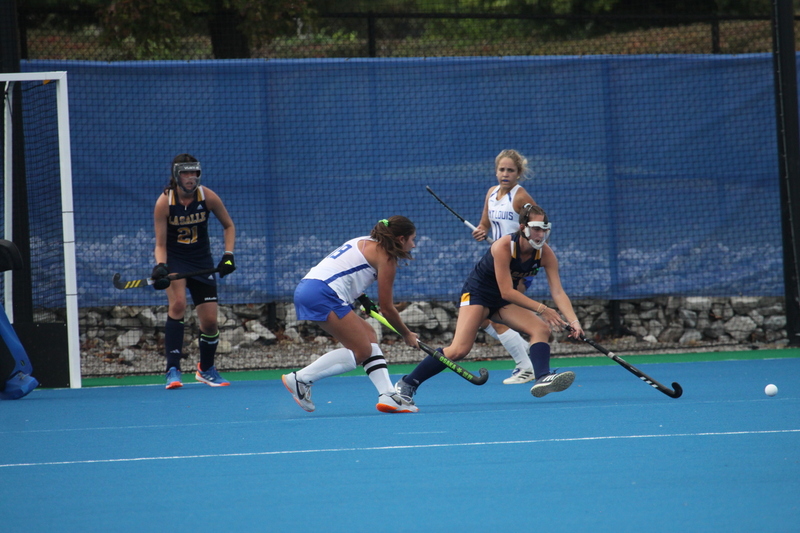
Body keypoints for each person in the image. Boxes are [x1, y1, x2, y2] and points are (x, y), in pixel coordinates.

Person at [395, 203, 583, 405]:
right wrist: (543, 309)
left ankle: (542, 377)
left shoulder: (545, 253)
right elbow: (507, 291)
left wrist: (574, 321)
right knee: (459, 350)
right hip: (477, 295)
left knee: (541, 329)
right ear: (523, 228)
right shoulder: (503, 246)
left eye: (545, 229)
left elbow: (557, 291)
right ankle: (407, 383)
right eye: (536, 229)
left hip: (501, 301)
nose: (541, 234)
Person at [282, 216, 420, 414]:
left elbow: (345, 270)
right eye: (412, 239)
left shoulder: (363, 241)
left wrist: (362, 299)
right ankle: (300, 379)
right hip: (323, 293)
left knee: (369, 335)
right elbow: (387, 308)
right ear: (400, 239)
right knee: (361, 350)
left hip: (309, 287)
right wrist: (407, 334)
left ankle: (388, 396)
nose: (413, 245)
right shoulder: (387, 259)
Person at [152, 153, 237, 389]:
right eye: (185, 173)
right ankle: (173, 370)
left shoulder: (207, 197)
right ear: (176, 175)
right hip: (176, 261)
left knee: (210, 322)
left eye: (194, 172)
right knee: (178, 304)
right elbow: (160, 244)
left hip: (202, 262)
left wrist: (228, 255)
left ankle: (206, 369)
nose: (190, 177)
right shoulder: (164, 203)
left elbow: (229, 226)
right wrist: (161, 266)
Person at [471, 149, 539, 385]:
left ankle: (526, 366)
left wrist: (527, 264)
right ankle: (526, 353)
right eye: (502, 169)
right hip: (495, 264)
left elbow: (539, 229)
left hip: (517, 267)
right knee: (481, 318)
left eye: (511, 170)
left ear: (519, 173)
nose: (505, 174)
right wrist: (481, 231)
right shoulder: (491, 193)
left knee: (499, 317)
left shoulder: (521, 197)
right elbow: (484, 224)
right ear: (496, 171)